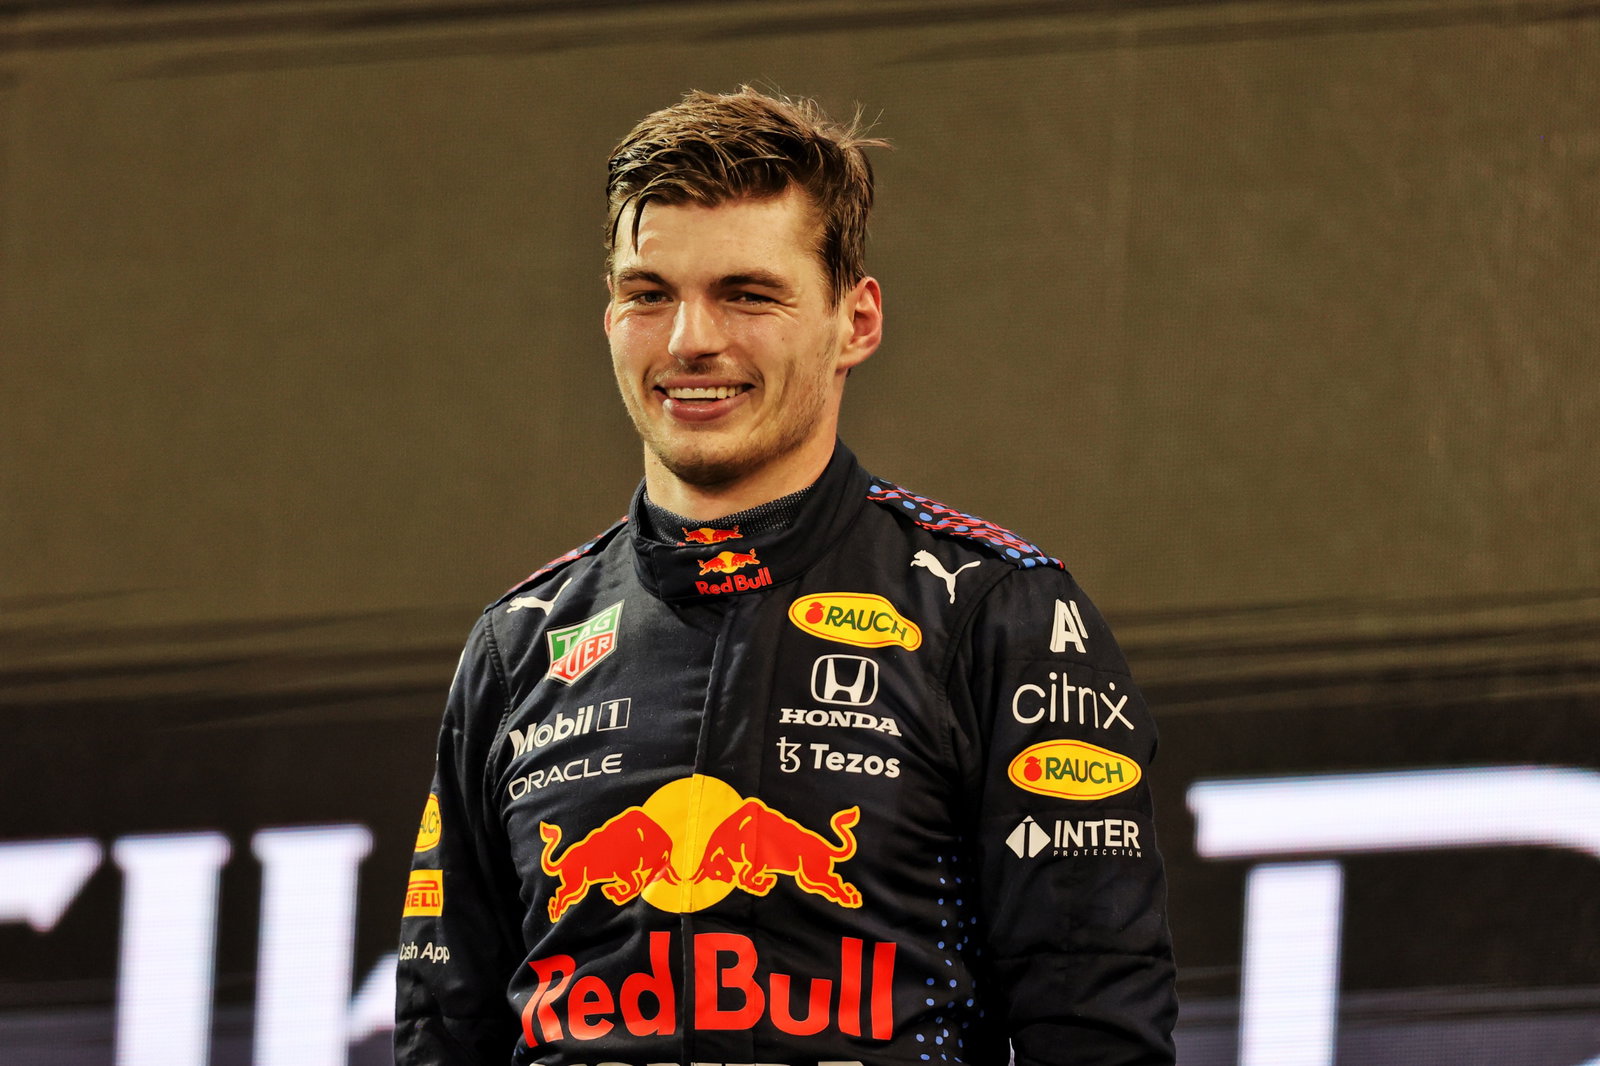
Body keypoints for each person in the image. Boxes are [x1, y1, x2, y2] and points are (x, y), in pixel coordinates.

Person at [396, 86, 1177, 1066]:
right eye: (649, 293)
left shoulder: (996, 610)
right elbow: (443, 1034)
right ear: (608, 317)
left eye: (747, 293)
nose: (690, 341)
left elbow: (1097, 1032)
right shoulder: (518, 642)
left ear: (855, 321)